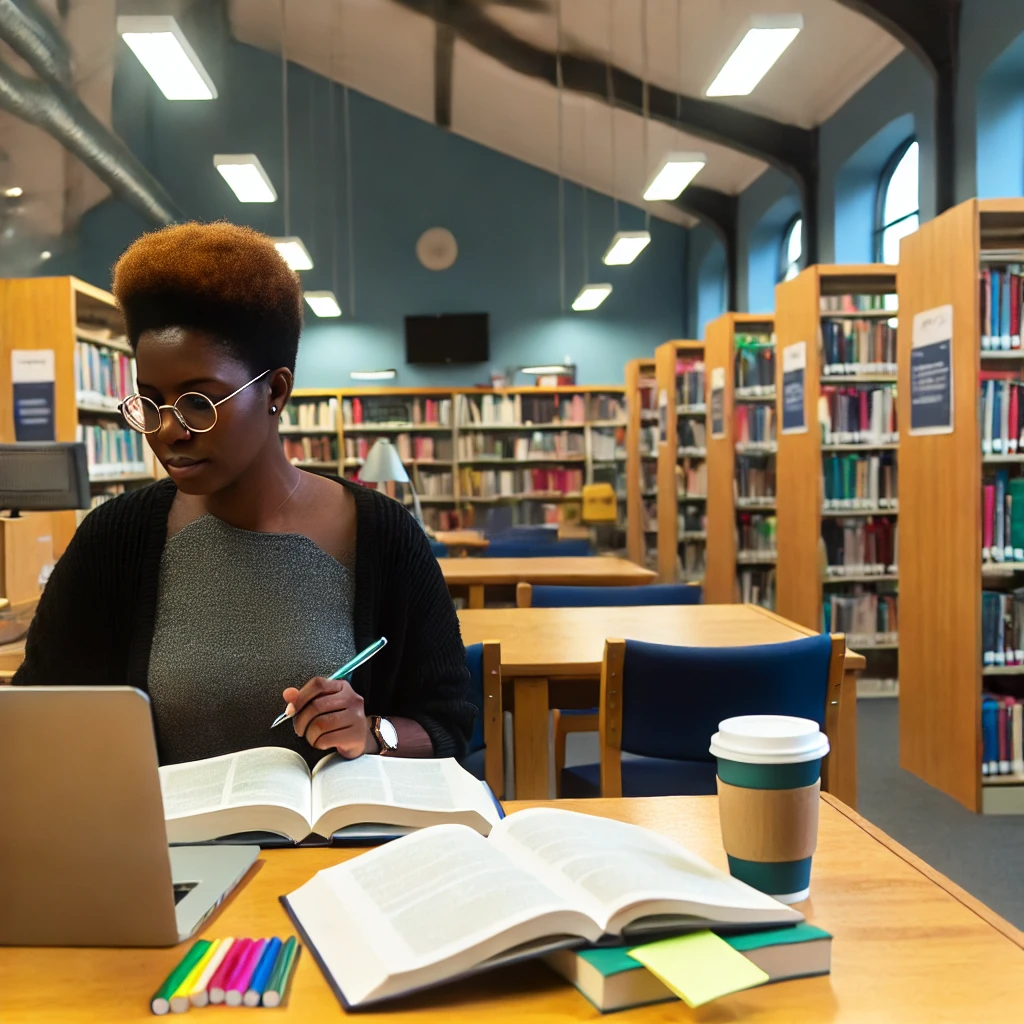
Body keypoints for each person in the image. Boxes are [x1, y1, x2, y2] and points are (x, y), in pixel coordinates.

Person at [13, 222, 474, 767]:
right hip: (171, 849)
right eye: (151, 402)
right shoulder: (115, 539)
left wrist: (373, 732)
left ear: (275, 391)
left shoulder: (385, 534)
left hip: (342, 848)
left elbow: (449, 722)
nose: (168, 431)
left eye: (198, 403)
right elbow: (34, 715)